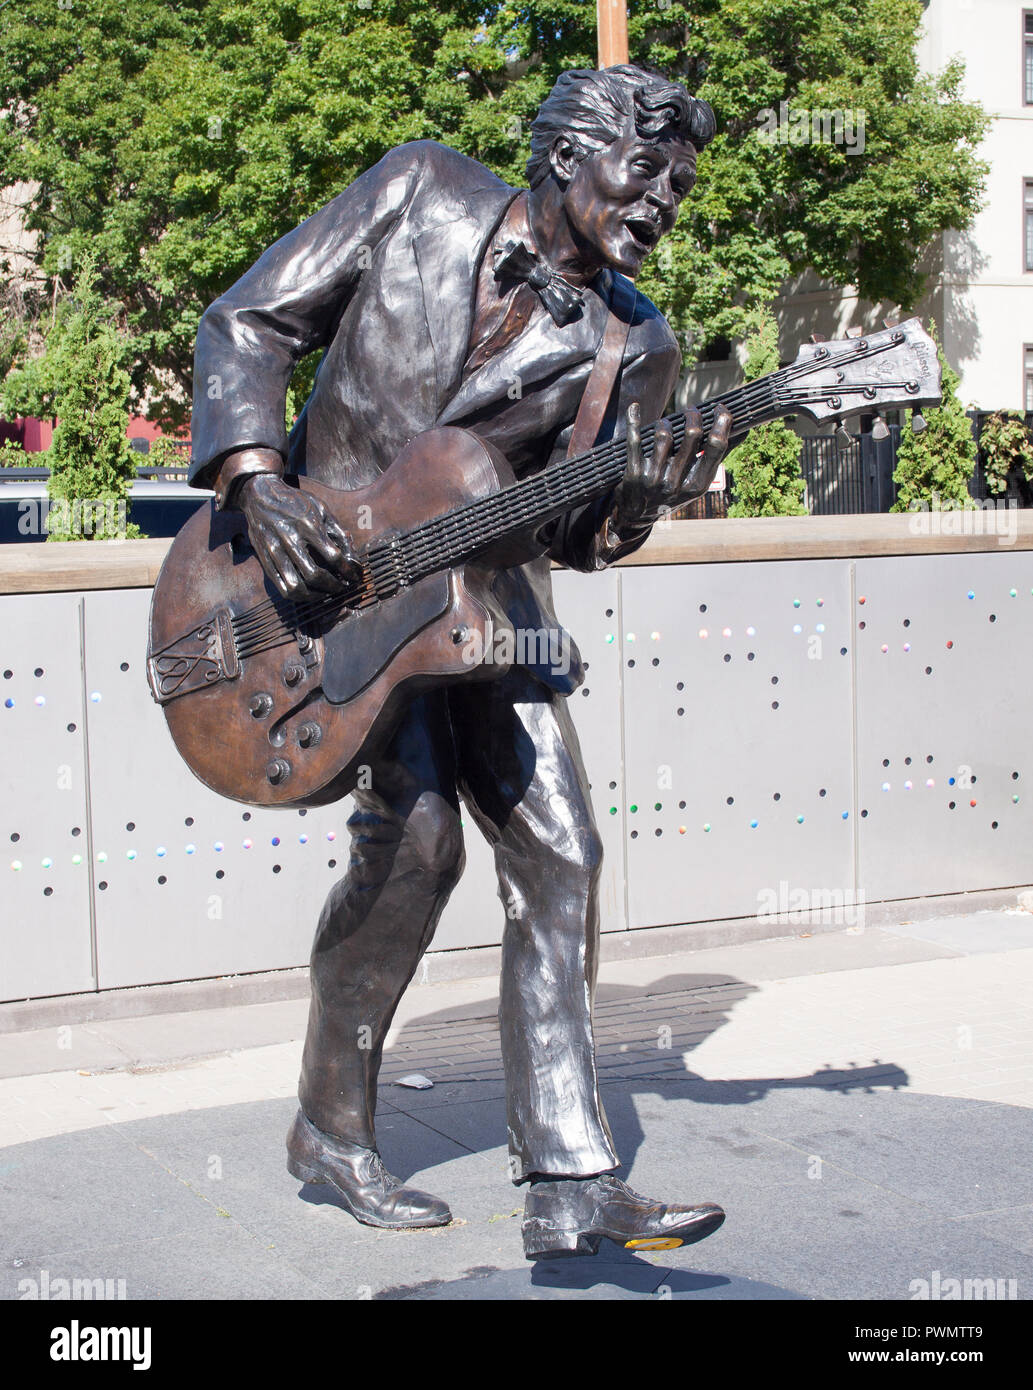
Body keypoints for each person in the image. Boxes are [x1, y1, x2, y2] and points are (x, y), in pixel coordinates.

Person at [188, 64, 732, 1260]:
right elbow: (245, 322)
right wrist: (257, 480)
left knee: (563, 853)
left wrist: (640, 501)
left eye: (679, 190)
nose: (661, 205)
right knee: (415, 847)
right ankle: (329, 1128)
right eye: (647, 172)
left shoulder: (637, 345)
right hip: (322, 587)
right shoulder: (419, 187)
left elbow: (583, 537)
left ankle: (570, 1179)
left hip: (495, 609)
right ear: (572, 149)